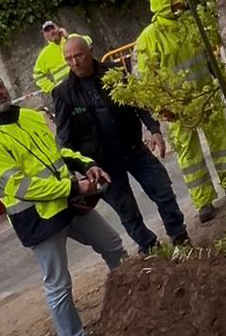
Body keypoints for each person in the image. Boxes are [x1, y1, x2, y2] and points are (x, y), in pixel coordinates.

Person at [0, 70, 125, 336]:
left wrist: (86, 164)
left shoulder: (30, 116)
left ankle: (134, 301)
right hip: (39, 219)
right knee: (58, 284)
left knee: (113, 245)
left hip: (70, 203)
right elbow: (20, 186)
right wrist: (72, 186)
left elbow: (61, 151)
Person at [53, 35, 190, 253]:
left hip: (134, 149)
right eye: (68, 59)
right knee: (126, 210)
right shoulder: (63, 93)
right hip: (102, 164)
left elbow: (139, 103)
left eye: (78, 55)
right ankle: (150, 247)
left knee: (163, 191)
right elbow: (65, 139)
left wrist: (154, 130)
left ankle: (180, 238)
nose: (74, 63)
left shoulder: (115, 72)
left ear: (89, 51)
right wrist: (84, 168)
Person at [132, 0, 226, 222]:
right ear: (164, 4)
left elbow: (210, 57)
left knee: (221, 141)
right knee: (189, 154)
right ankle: (203, 201)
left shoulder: (191, 25)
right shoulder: (149, 38)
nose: (180, 3)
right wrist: (160, 109)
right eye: (174, 0)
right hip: (177, 108)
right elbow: (144, 80)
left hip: (206, 96)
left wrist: (223, 80)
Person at [33, 20, 91, 100]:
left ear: (59, 28)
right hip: (69, 93)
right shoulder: (44, 54)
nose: (51, 31)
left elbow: (88, 42)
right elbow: (37, 76)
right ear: (44, 35)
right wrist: (53, 89)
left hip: (87, 81)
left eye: (52, 28)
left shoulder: (72, 38)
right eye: (47, 30)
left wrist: (68, 37)